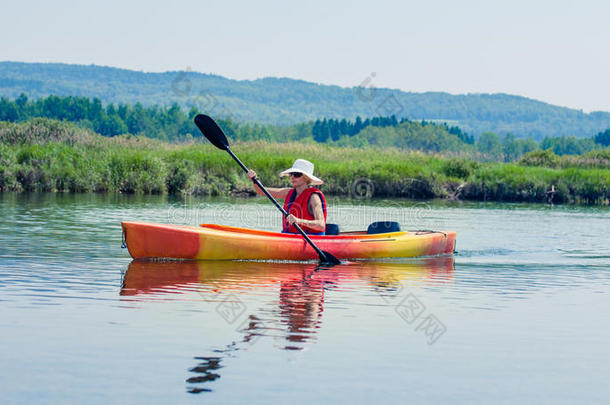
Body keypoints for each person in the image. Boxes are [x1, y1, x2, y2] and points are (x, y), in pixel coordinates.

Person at [247, 159, 327, 235]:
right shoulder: (288, 192)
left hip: (310, 239)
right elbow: (261, 191)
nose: (292, 177)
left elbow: (321, 225)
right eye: (291, 174)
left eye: (296, 174)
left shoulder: (314, 198)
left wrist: (298, 221)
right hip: (289, 236)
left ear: (307, 178)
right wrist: (255, 179)